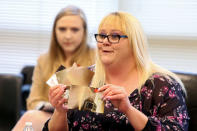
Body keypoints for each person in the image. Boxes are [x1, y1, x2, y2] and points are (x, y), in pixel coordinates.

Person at [43, 11, 189, 131]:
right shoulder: (83, 76)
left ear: (134, 42)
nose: (105, 41)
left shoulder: (162, 85)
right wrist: (60, 111)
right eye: (101, 35)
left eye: (114, 36)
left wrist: (128, 110)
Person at [12, 5, 95, 131]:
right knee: (30, 116)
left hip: (85, 119)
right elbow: (33, 101)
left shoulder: (97, 57)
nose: (68, 36)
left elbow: (103, 100)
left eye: (74, 29)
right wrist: (54, 106)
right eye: (62, 29)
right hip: (50, 116)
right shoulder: (44, 60)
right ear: (54, 31)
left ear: (84, 32)